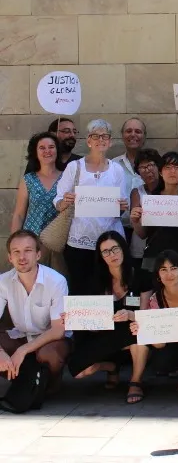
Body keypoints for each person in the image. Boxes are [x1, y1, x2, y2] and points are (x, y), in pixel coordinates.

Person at [65, 232, 151, 404]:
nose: (112, 255)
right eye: (105, 252)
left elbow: (147, 317)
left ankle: (135, 382)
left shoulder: (141, 277)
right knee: (79, 371)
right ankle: (111, 366)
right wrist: (75, 318)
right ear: (100, 256)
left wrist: (130, 315)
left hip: (132, 332)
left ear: (123, 249)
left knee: (140, 336)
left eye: (115, 249)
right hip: (104, 335)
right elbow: (89, 319)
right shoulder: (95, 281)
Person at [53, 119, 130, 295]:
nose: (100, 139)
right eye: (95, 135)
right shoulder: (74, 167)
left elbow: (121, 205)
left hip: (110, 242)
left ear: (110, 141)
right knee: (81, 290)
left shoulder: (116, 170)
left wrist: (122, 206)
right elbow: (58, 201)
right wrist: (66, 200)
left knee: (108, 290)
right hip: (80, 242)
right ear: (88, 140)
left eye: (105, 136)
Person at [130, 250, 178, 407]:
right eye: (163, 269)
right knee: (161, 362)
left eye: (173, 268)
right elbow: (159, 345)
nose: (169, 274)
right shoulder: (156, 299)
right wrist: (144, 331)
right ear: (158, 275)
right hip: (173, 346)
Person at [0, 231, 70, 393]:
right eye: (16, 252)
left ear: (38, 254)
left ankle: (48, 383)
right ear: (10, 257)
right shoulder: (3, 281)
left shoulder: (56, 281)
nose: (22, 257)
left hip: (50, 341)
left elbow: (58, 330)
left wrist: (22, 350)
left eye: (28, 250)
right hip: (21, 336)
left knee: (49, 355)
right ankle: (26, 380)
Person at [131, 152, 178, 285]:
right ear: (160, 172)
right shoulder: (151, 200)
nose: (172, 171)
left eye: (177, 168)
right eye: (168, 167)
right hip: (156, 259)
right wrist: (135, 221)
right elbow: (142, 234)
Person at [11, 133, 64, 274]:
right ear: (35, 152)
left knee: (58, 282)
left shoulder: (67, 177)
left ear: (57, 151)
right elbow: (19, 214)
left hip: (58, 242)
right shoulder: (28, 179)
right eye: (42, 148)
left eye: (51, 147)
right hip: (32, 242)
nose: (47, 151)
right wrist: (14, 243)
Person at [113, 118, 148, 240]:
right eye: (128, 131)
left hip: (146, 227)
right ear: (122, 135)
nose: (133, 134)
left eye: (138, 131)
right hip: (119, 227)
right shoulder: (113, 165)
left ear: (144, 136)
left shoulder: (156, 165)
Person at [127, 149, 162, 271]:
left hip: (165, 248)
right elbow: (141, 233)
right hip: (141, 249)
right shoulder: (137, 192)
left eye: (151, 165)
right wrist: (135, 219)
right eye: (142, 167)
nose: (147, 170)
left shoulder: (170, 190)